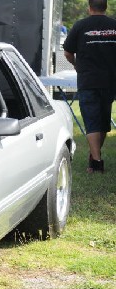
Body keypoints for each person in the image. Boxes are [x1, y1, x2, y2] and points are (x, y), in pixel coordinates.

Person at [63, 0, 116, 173]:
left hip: (88, 81)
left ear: (89, 7)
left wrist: (76, 65)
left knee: (93, 123)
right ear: (106, 7)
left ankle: (96, 161)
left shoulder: (80, 26)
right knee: (102, 122)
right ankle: (94, 159)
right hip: (109, 81)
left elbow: (68, 52)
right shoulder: (114, 26)